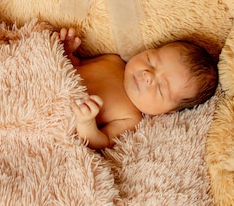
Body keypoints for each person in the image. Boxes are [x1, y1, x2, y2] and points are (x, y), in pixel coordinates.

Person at [59, 27, 218, 150]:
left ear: (167, 112)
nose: (148, 75)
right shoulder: (113, 61)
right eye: (150, 60)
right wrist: (66, 52)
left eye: (161, 88)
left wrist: (86, 123)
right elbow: (77, 65)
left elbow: (100, 141)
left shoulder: (131, 118)